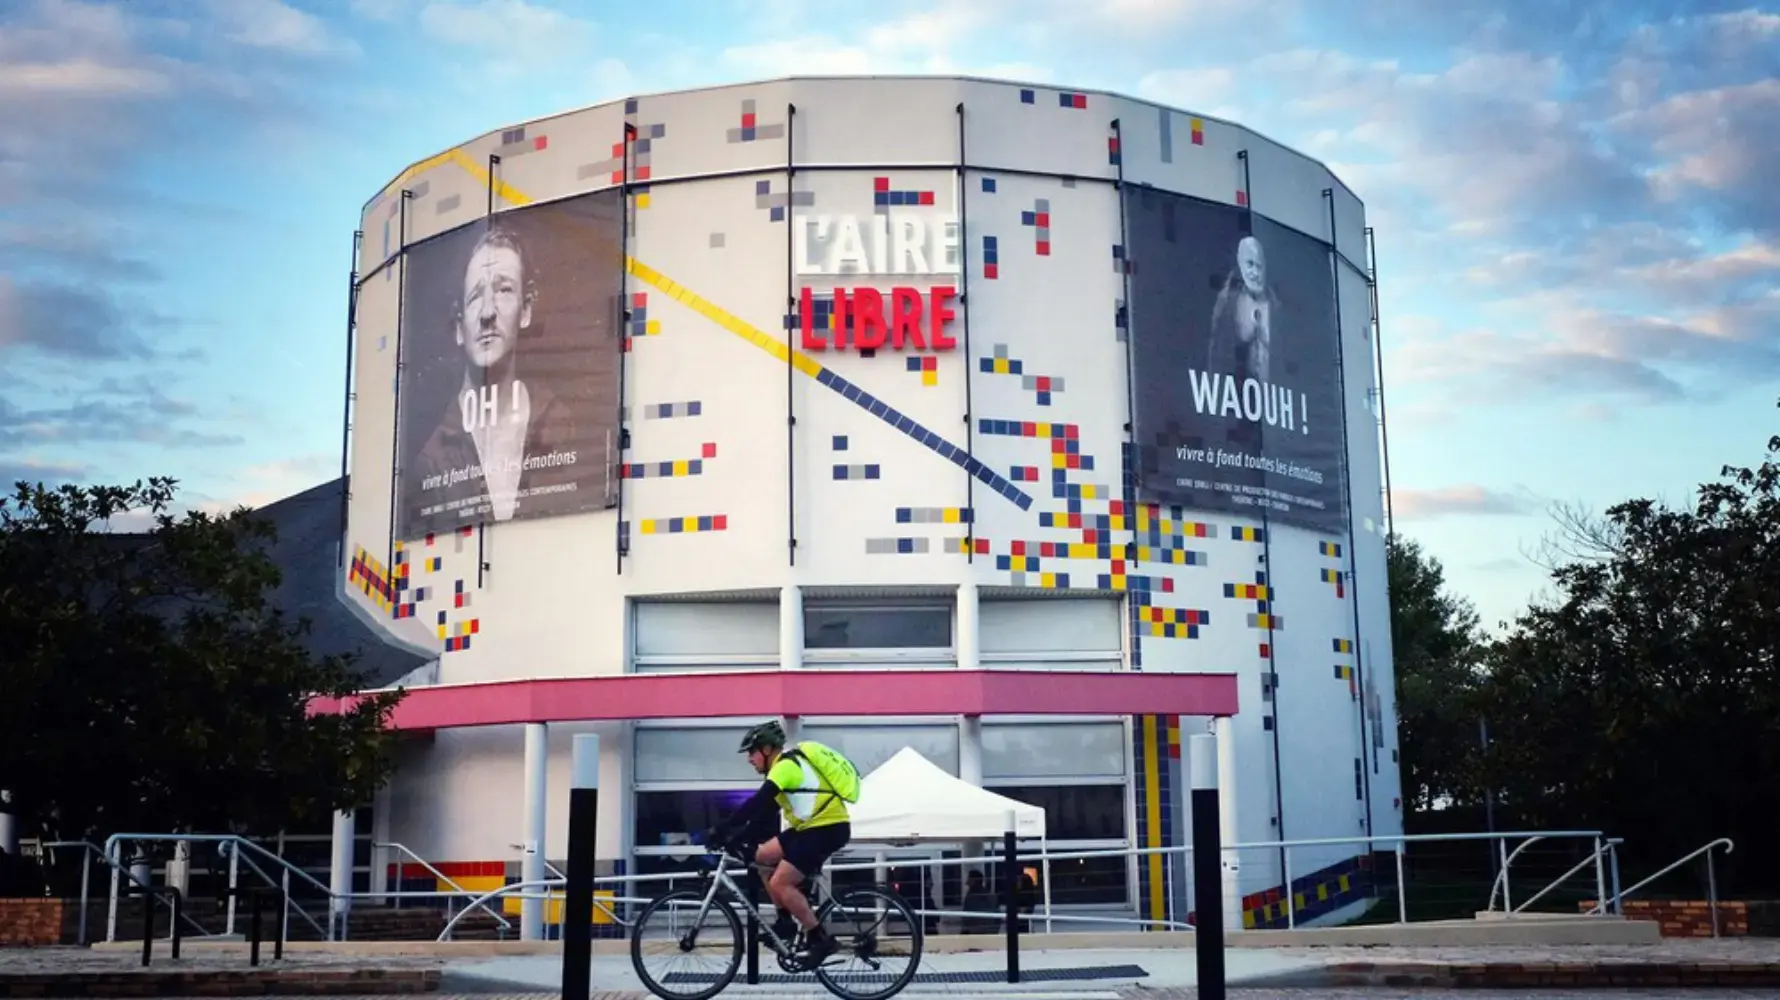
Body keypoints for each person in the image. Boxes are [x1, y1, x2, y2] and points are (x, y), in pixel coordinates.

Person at [704, 721, 852, 965]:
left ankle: (820, 939)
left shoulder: (784, 767)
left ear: (767, 749)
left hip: (826, 829)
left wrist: (722, 829)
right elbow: (763, 815)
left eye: (752, 752)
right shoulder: (783, 770)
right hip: (808, 829)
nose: (749, 759)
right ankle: (785, 923)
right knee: (761, 856)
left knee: (781, 883)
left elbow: (757, 803)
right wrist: (738, 837)